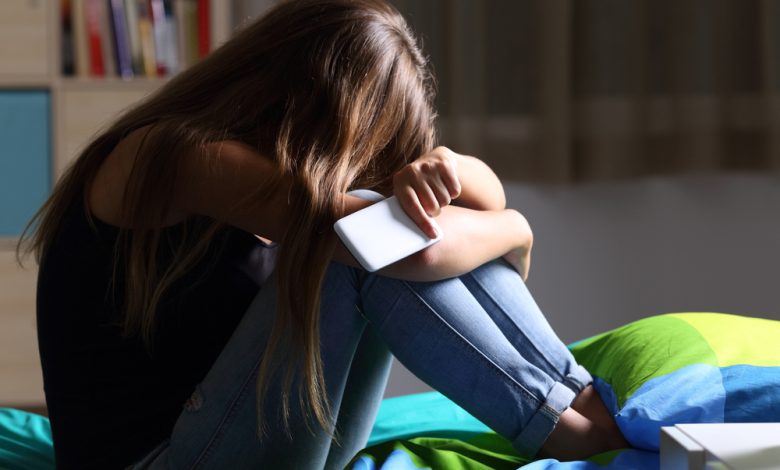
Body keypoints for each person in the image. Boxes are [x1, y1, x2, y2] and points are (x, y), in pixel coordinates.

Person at [21, 0, 629, 468]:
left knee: (384, 225)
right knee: (368, 241)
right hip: (161, 460)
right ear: (313, 102)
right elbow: (412, 249)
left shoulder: (280, 173)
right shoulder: (177, 155)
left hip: (256, 440)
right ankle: (575, 427)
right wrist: (516, 230)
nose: (359, 162)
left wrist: (440, 166)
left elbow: (474, 201)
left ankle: (574, 400)